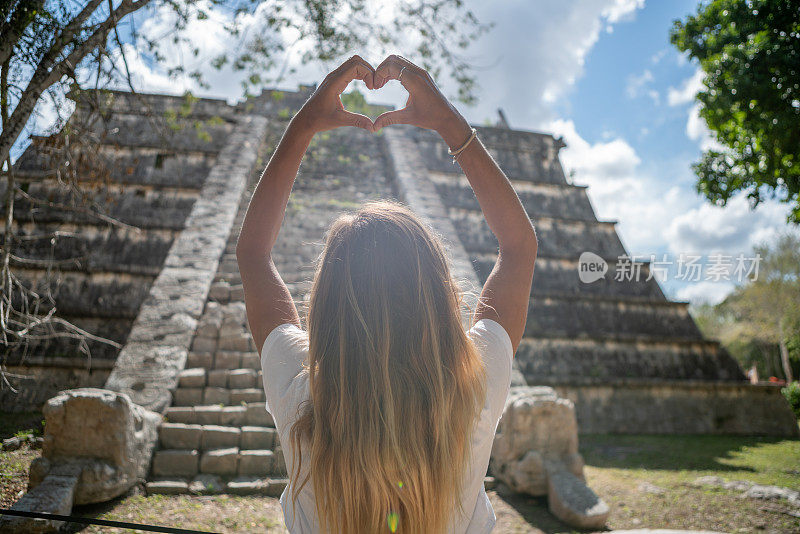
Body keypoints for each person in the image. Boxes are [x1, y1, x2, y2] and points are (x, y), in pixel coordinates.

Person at [236, 54, 538, 534]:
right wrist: (449, 126)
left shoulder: (300, 390)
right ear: (438, 293)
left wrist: (303, 126)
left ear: (327, 301)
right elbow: (520, 248)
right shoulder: (475, 384)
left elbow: (252, 253)